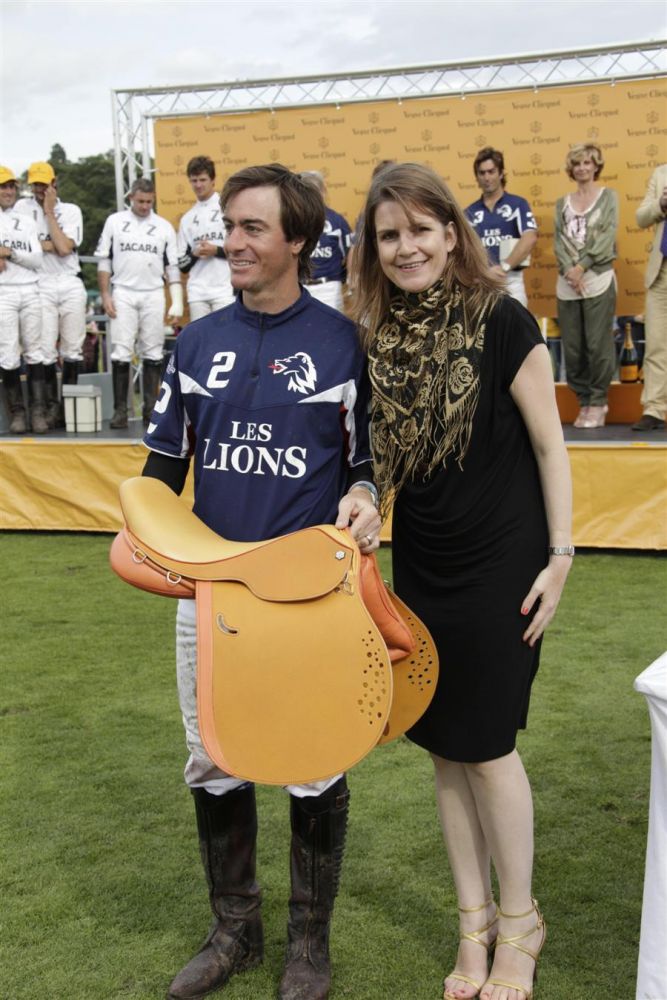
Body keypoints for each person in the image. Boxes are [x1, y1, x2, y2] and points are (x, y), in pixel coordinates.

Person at [140, 163, 380, 1000]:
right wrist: (144, 534)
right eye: (226, 226)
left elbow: (366, 463)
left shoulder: (344, 342)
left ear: (297, 243)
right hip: (211, 595)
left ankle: (307, 945)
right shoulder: (196, 342)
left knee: (314, 764)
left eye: (249, 229)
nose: (228, 242)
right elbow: (161, 471)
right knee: (213, 760)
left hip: (310, 596)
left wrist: (363, 493)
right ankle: (234, 930)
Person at [353, 162, 573, 1000]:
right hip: (428, 564)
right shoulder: (381, 341)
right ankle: (472, 925)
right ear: (374, 250)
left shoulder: (503, 319)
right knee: (445, 751)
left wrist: (560, 557)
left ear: (451, 232)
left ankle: (520, 924)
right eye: (389, 234)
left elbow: (551, 445)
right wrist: (370, 501)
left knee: (488, 749)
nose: (406, 247)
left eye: (420, 229)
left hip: (504, 561)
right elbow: (385, 461)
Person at [95, 178, 182, 428]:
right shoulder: (115, 222)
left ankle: (151, 410)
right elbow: (104, 261)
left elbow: (172, 266)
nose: (145, 206)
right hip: (123, 291)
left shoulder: (164, 227)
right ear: (131, 197)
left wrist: (175, 301)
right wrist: (105, 294)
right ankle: (120, 411)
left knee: (153, 352)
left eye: (149, 201)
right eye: (140, 201)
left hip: (154, 292)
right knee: (121, 351)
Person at [15, 161, 87, 427]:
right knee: (43, 347)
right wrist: (46, 245)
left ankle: (68, 411)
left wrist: (49, 212)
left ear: (54, 183)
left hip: (69, 280)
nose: (39, 189)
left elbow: (65, 247)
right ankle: (46, 408)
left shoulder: (70, 210)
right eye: (35, 184)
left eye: (44, 184)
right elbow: (38, 245)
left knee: (73, 348)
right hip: (39, 282)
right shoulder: (21, 209)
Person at [554, 143, 618, 429]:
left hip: (597, 279)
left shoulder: (608, 198)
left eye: (587, 163)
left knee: (597, 344)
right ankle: (583, 401)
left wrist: (582, 267)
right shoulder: (561, 203)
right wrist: (570, 270)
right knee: (574, 348)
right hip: (568, 282)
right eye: (577, 163)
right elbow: (558, 241)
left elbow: (606, 238)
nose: (582, 168)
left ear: (596, 166)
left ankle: (598, 401)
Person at [0, 165, 47, 433]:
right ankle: (18, 413)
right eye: (3, 187)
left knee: (35, 351)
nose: (8, 191)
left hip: (30, 289)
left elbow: (37, 259)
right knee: (7, 354)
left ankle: (38, 412)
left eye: (10, 186)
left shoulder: (26, 221)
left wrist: (10, 254)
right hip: (3, 292)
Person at [465, 147, 538, 309]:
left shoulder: (518, 204)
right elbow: (464, 251)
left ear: (501, 173)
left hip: (511, 280)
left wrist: (504, 267)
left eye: (491, 171)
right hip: (480, 283)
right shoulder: (469, 212)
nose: (487, 177)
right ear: (476, 177)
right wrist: (481, 275)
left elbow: (530, 237)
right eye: (482, 173)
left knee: (516, 333)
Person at [177, 155, 234, 320]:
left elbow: (241, 250)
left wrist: (215, 250)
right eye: (194, 180)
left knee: (225, 341)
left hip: (225, 289)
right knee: (201, 343)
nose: (198, 185)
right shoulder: (187, 218)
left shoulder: (228, 207)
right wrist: (194, 254)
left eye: (203, 179)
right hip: (197, 293)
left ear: (213, 180)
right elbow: (182, 265)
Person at [633, 163, 667, 432]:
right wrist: (661, 203)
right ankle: (654, 409)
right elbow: (642, 217)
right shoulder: (661, 173)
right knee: (656, 344)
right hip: (661, 271)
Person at [300, 171, 352, 311]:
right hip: (298, 287)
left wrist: (351, 280)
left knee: (331, 330)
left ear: (323, 192)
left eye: (316, 190)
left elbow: (350, 253)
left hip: (329, 287)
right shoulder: (292, 221)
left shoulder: (337, 221)